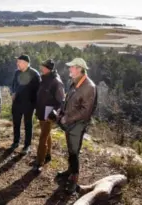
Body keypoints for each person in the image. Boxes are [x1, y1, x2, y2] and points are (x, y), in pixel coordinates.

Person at [55, 57, 97, 194]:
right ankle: (69, 170)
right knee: (71, 149)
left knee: (74, 152)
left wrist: (67, 118)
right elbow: (68, 99)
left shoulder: (89, 87)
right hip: (70, 122)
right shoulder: (75, 82)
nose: (69, 69)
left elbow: (85, 111)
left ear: (79, 69)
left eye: (71, 67)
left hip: (77, 124)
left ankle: (74, 179)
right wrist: (62, 110)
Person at [34, 59, 65, 172]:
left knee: (43, 137)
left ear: (49, 69)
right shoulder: (44, 78)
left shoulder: (56, 81)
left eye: (43, 67)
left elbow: (61, 101)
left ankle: (39, 162)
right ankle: (48, 154)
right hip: (41, 111)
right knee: (46, 134)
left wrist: (54, 113)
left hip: (49, 114)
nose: (41, 68)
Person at [11, 54, 41, 154]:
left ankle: (27, 146)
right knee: (16, 123)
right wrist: (13, 93)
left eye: (19, 62)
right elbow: (13, 85)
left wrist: (35, 105)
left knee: (28, 124)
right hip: (17, 103)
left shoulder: (34, 74)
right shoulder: (16, 73)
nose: (17, 63)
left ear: (25, 63)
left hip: (29, 104)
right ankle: (16, 142)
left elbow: (38, 91)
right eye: (17, 61)